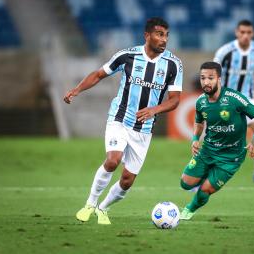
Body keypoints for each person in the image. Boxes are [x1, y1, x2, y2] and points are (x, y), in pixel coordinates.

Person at [63, 17, 183, 225]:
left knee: (127, 181)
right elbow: (99, 74)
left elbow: (175, 100)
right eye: (159, 34)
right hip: (119, 119)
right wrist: (77, 90)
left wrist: (155, 109)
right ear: (147, 36)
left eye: (166, 35)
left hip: (144, 129)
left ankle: (103, 208)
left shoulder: (173, 64)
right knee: (112, 160)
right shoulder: (127, 56)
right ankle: (90, 204)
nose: (164, 40)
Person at [179, 61, 254, 220]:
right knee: (185, 183)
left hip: (231, 157)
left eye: (210, 78)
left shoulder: (234, 98)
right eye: (203, 78)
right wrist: (195, 139)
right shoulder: (201, 101)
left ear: (219, 79)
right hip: (208, 151)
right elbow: (199, 121)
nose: (206, 82)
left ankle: (189, 209)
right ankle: (208, 174)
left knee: (205, 190)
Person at [213, 19, 254, 191]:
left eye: (249, 32)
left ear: (253, 33)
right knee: (214, 140)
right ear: (236, 32)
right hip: (226, 101)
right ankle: (199, 177)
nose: (245, 36)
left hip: (247, 100)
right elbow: (212, 75)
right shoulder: (225, 52)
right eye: (242, 32)